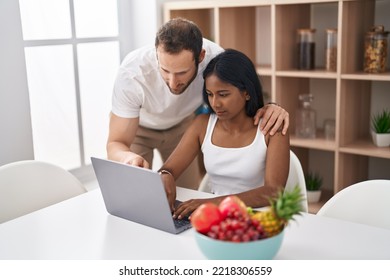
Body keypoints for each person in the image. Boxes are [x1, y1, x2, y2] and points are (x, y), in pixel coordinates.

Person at [107, 18, 289, 190]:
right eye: (165, 70)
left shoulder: (215, 59)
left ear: (201, 56)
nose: (172, 82)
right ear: (156, 53)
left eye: (182, 72)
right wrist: (127, 157)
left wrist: (271, 107)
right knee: (139, 195)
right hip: (139, 129)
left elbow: (243, 89)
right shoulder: (131, 74)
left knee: (187, 193)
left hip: (183, 126)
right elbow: (116, 142)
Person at [159, 49, 290, 218]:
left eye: (223, 94)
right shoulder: (202, 125)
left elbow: (274, 191)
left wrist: (211, 203)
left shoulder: (272, 127)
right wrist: (165, 175)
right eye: (210, 94)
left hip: (260, 219)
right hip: (215, 217)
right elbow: (169, 169)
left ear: (247, 92)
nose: (215, 103)